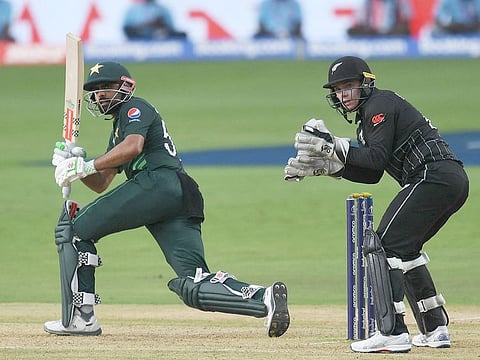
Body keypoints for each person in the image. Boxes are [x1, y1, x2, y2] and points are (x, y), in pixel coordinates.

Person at [44, 61, 290, 337]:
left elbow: (133, 147)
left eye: (106, 87)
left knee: (75, 231)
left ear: (125, 87)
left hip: (158, 183)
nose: (100, 94)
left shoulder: (135, 108)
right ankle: (264, 298)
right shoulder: (117, 131)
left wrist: (86, 165)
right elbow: (101, 183)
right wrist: (75, 166)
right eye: (96, 90)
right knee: (193, 281)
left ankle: (82, 317)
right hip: (178, 195)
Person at [284, 56, 469, 353]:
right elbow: (372, 174)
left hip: (432, 176)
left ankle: (391, 332)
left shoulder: (379, 105)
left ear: (365, 83)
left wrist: (335, 147)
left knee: (381, 246)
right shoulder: (368, 117)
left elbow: (375, 158)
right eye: (338, 89)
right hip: (447, 179)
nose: (344, 94)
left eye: (349, 86)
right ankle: (435, 328)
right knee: (404, 247)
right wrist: (331, 168)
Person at [123, 0, 187, 40]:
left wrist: (159, 24)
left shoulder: (163, 9)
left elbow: (171, 28)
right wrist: (146, 24)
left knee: (182, 34)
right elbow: (127, 27)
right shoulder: (134, 9)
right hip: (139, 35)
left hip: (159, 35)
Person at [347, 0, 412, 36]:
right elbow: (361, 20)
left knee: (405, 30)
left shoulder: (399, 1)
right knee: (351, 31)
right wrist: (369, 29)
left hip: (392, 31)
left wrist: (394, 29)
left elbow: (406, 19)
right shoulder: (368, 2)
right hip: (372, 32)